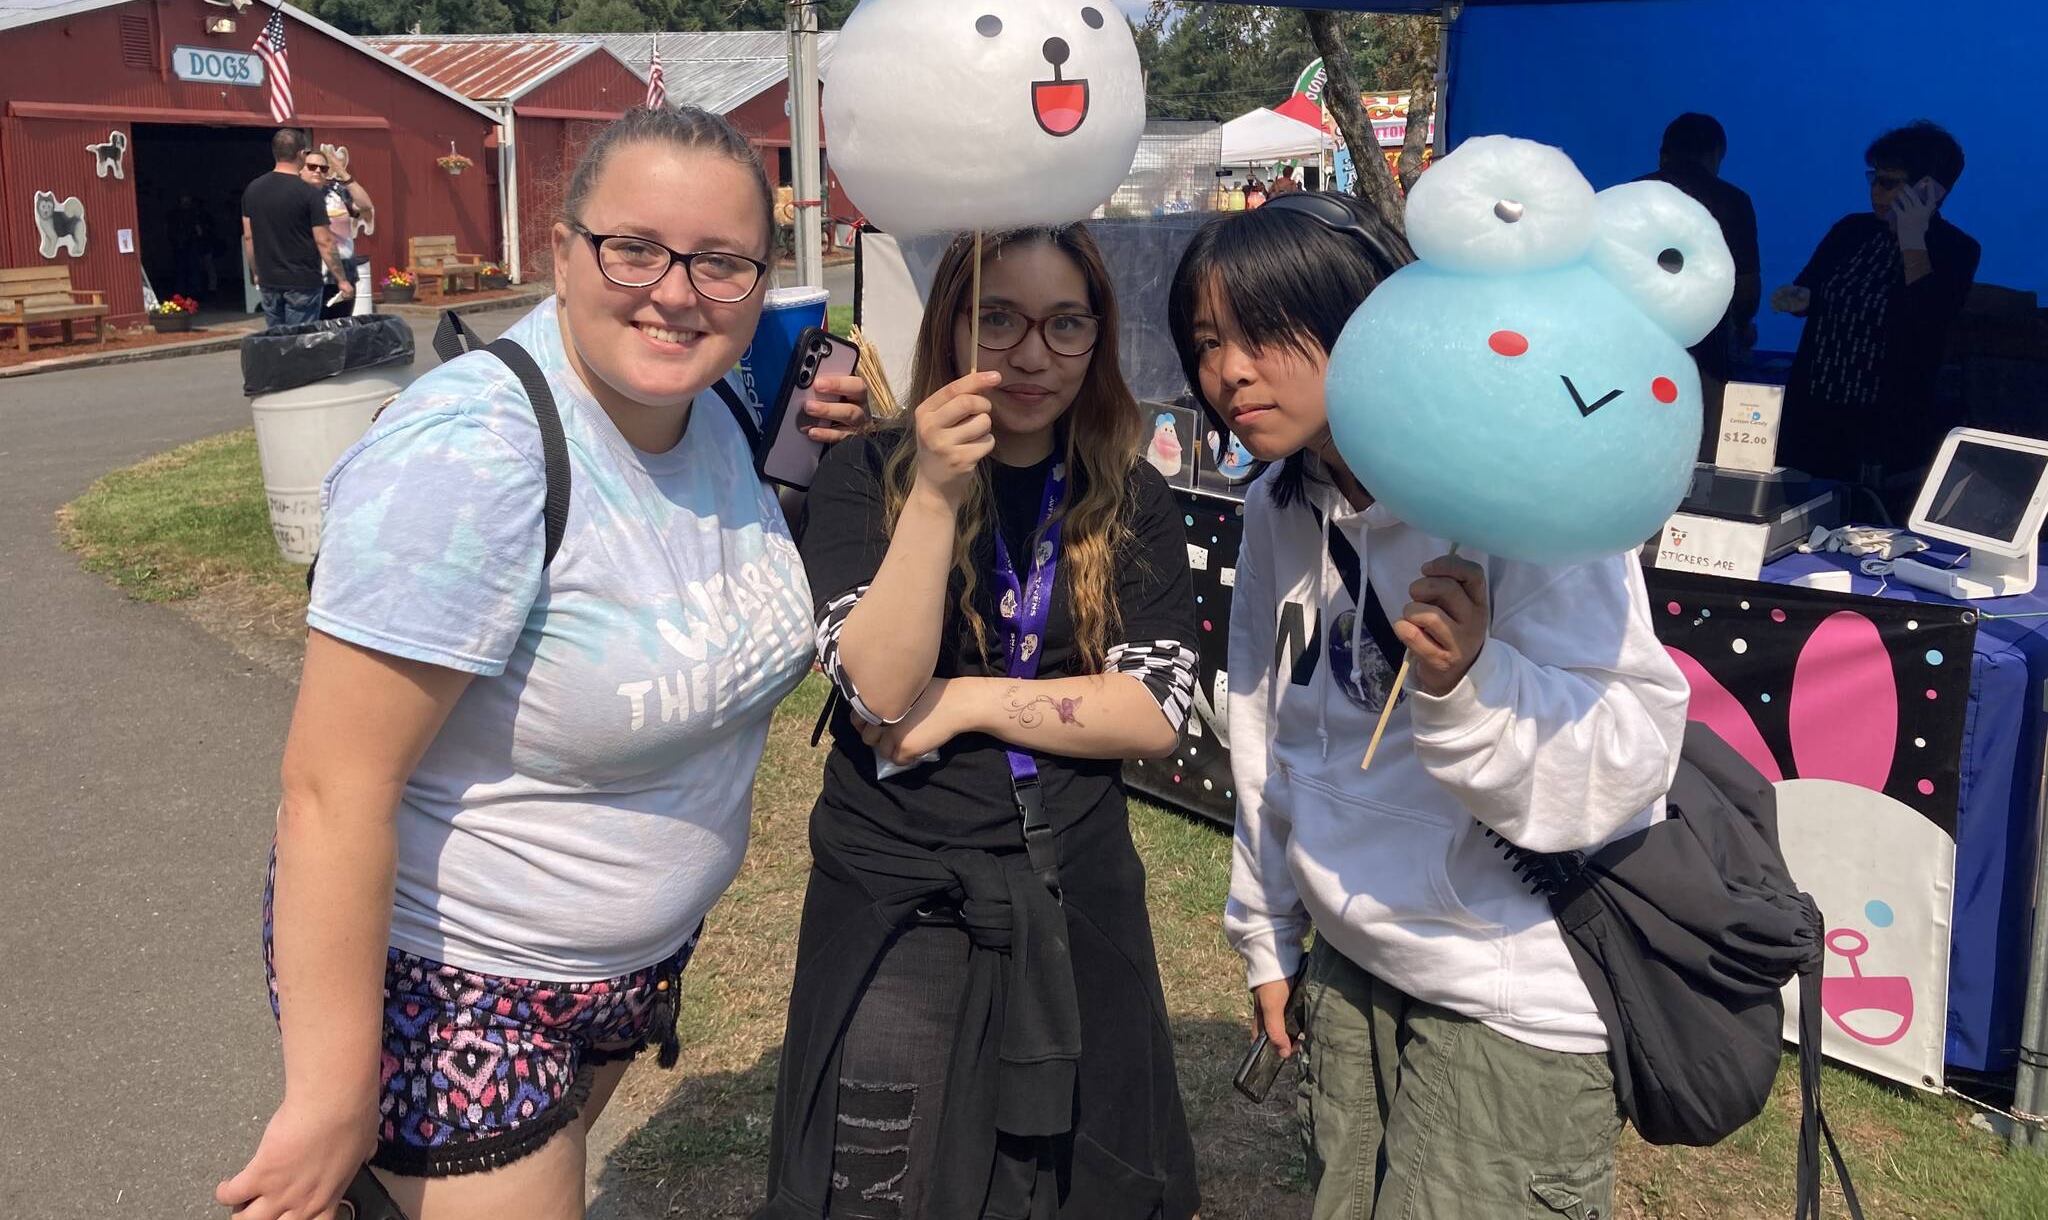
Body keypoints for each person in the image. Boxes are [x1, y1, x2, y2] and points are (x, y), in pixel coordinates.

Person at [217, 106, 869, 1220]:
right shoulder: (473, 455)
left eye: (721, 262)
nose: (676, 290)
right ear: (560, 251)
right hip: (462, 981)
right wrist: (332, 1092)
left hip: (622, 971)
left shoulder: (707, 406)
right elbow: (333, 790)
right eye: (634, 248)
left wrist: (812, 462)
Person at [1166, 192, 1689, 1220]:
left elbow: (1629, 758)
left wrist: (1468, 686)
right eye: (1205, 341)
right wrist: (1266, 935)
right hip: (1352, 967)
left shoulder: (1518, 496)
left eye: (1266, 332)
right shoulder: (1282, 505)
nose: (1229, 371)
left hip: (1508, 999)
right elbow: (1268, 733)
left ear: (1374, 317)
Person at [762, 225, 1203, 1220]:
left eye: (1063, 324)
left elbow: (1150, 708)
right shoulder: (864, 470)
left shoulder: (1126, 492)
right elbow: (875, 688)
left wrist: (961, 699)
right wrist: (934, 491)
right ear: (949, 329)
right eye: (996, 319)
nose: (1030, 354)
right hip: (899, 888)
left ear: (1097, 340)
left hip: (1070, 877)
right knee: (886, 1182)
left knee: (1065, 1179)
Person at [1775, 120, 1981, 485]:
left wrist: (1912, 236)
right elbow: (1812, 288)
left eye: (1890, 182)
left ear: (1929, 190)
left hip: (1883, 427)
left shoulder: (1955, 249)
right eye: (1875, 178)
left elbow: (1927, 320)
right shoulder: (1850, 230)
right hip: (1813, 412)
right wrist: (1800, 298)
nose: (1877, 192)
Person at [1634, 113, 1760, 384]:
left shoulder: (1631, 193)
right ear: (1715, 155)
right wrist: (1741, 327)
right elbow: (1746, 286)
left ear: (1663, 153)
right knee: (1702, 419)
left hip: (1636, 336)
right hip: (1706, 342)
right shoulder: (1733, 202)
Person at [242, 129, 350, 328]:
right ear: (301, 154)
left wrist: (256, 272)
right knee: (300, 342)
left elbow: (249, 237)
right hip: (302, 280)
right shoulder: (309, 194)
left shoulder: (253, 189)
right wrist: (341, 279)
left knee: (277, 341)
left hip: (269, 278)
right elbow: (324, 241)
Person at [303, 144, 376, 317]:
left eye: (323, 168)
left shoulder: (337, 192)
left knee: (341, 328)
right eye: (312, 167)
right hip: (311, 275)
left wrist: (343, 173)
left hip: (345, 270)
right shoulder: (296, 195)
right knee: (314, 332)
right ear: (301, 169)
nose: (318, 171)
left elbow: (365, 206)